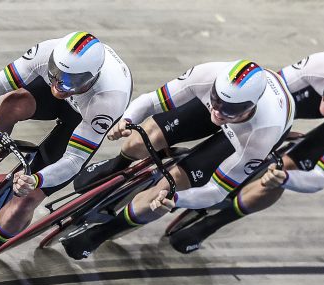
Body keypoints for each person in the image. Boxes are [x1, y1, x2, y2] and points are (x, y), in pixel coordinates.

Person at [0, 31, 132, 285]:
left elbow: (73, 160)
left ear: (91, 77)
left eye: (70, 79)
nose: (60, 83)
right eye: (56, 73)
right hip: (68, 98)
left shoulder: (109, 99)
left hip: (82, 116)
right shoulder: (49, 54)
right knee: (10, 103)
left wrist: (36, 181)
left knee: (26, 200)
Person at [166, 50, 324, 253]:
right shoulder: (321, 66)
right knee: (257, 120)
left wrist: (287, 178)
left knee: (286, 168)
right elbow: (271, 96)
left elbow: (320, 179)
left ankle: (213, 223)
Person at [60, 59, 295, 260]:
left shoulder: (261, 136)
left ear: (249, 107)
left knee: (166, 190)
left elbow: (216, 190)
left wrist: (177, 198)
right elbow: (150, 101)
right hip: (226, 108)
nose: (218, 112)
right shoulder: (206, 76)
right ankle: (118, 165)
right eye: (216, 100)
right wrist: (127, 120)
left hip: (244, 135)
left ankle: (100, 234)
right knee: (141, 139)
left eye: (229, 109)